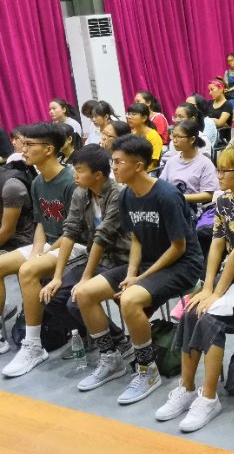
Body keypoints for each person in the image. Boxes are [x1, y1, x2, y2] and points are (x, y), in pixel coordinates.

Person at [155, 144, 234, 432]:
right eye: (219, 169)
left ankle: (209, 398)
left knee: (212, 317)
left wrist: (215, 294)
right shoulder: (224, 200)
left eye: (225, 170)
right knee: (191, 311)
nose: (219, 175)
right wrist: (207, 286)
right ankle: (187, 388)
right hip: (232, 274)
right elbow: (217, 245)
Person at [73, 134, 203, 404]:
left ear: (139, 166)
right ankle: (111, 359)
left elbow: (178, 247)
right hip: (146, 264)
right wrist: (132, 274)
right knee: (85, 293)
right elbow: (136, 240)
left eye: (118, 162)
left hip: (182, 265)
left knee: (130, 300)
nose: (114, 168)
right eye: (113, 161)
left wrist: (141, 278)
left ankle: (147, 369)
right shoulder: (127, 196)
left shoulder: (167, 196)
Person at [22, 145, 130, 382]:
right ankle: (117, 340)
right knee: (52, 296)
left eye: (80, 170)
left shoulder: (119, 194)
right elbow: (69, 232)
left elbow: (103, 236)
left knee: (77, 299)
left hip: (125, 262)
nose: (75, 175)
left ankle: (110, 354)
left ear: (98, 175)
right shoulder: (82, 193)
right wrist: (57, 277)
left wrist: (84, 279)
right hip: (99, 260)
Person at [0, 124, 76, 365]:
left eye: (29, 145)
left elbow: (75, 231)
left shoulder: (71, 181)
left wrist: (44, 254)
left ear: (49, 149)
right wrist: (36, 252)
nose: (23, 150)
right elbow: (40, 224)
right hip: (48, 244)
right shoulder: (37, 182)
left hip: (75, 244)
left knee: (28, 270)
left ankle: (33, 345)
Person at [160, 120, 219, 211]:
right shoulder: (172, 161)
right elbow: (161, 184)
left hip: (193, 211)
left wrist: (181, 197)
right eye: (173, 136)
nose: (174, 140)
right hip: (171, 207)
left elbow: (209, 194)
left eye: (179, 137)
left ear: (192, 140)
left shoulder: (205, 164)